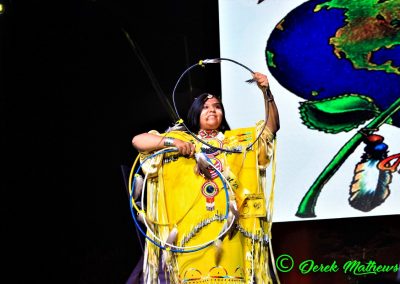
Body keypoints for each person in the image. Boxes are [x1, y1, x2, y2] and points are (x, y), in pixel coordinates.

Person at [131, 72, 280, 283]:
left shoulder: (236, 141)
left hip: (230, 231)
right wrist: (170, 144)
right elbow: (138, 141)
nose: (212, 110)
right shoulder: (180, 139)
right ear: (196, 113)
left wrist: (266, 92)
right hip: (190, 236)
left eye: (217, 107)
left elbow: (270, 130)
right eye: (206, 106)